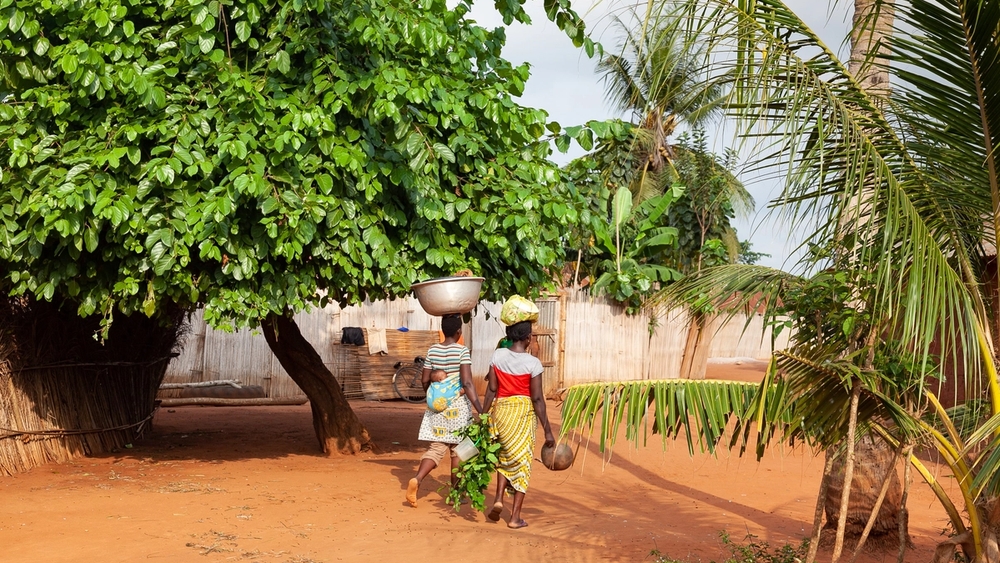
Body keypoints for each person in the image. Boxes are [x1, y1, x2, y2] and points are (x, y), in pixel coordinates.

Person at [482, 320, 555, 529]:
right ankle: (514, 517)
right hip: (523, 414)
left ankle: (498, 498)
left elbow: (491, 389)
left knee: (504, 455)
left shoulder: (497, 356)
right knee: (522, 463)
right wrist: (548, 431)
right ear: (528, 338)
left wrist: (483, 416)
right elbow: (538, 399)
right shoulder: (533, 363)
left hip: (502, 412)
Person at [406, 315, 483, 508]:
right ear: (459, 332)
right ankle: (456, 494)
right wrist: (480, 409)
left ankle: (418, 478)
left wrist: (434, 397)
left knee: (436, 448)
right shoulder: (462, 351)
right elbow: (467, 382)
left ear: (442, 330)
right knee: (457, 451)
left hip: (437, 409)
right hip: (457, 407)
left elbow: (425, 380)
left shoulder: (433, 350)